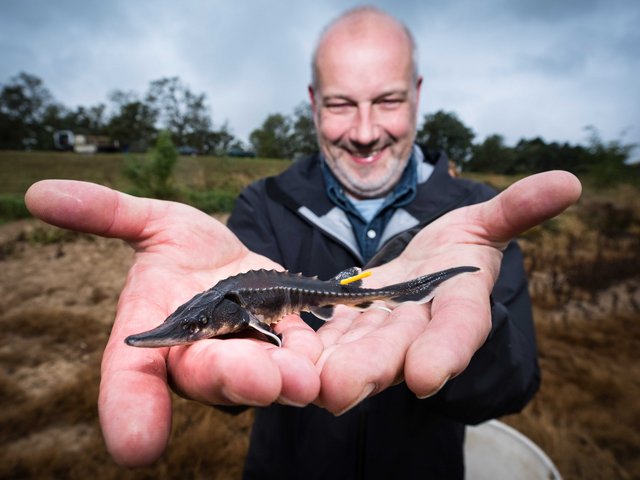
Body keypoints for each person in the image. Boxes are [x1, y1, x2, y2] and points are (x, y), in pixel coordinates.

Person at [25, 6, 581, 479]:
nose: (364, 131)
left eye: (386, 100)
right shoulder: (262, 205)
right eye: (341, 104)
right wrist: (208, 357)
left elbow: (516, 386)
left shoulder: (477, 217)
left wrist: (464, 332)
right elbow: (233, 374)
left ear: (417, 96)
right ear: (313, 102)